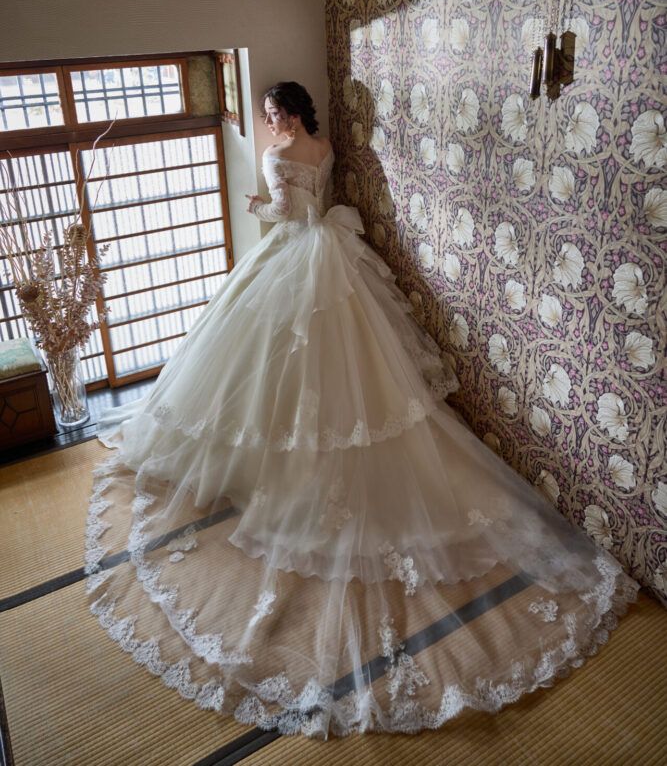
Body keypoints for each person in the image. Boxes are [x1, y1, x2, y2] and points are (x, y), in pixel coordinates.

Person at [87, 81, 638, 739]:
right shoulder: (324, 145)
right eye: (267, 114)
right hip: (334, 253)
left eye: (273, 112)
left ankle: (284, 460)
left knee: (279, 362)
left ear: (290, 113)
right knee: (350, 362)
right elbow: (315, 201)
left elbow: (285, 213)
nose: (270, 120)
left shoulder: (277, 152)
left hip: (295, 254)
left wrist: (256, 204)